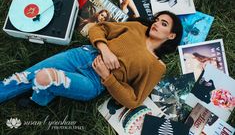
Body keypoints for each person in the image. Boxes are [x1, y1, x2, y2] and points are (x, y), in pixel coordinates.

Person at [0, 11, 183, 109]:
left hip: (93, 81)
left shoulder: (157, 66)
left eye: (163, 24)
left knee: (43, 77)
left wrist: (108, 78)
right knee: (22, 77)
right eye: (157, 20)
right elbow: (98, 28)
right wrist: (105, 49)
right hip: (82, 55)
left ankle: (38, 100)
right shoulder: (136, 27)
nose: (156, 24)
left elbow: (134, 100)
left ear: (172, 35)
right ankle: (37, 92)